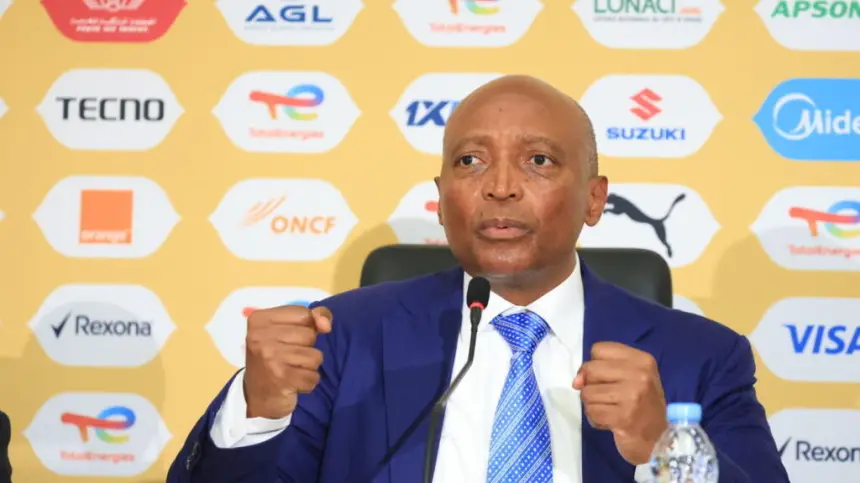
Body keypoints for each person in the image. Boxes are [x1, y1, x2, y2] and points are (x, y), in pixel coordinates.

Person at [167, 75, 790, 483]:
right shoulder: (341, 337)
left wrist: (663, 448)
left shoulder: (703, 357)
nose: (500, 187)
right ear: (442, 199)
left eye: (538, 161)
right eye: (470, 162)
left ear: (595, 199)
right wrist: (258, 409)